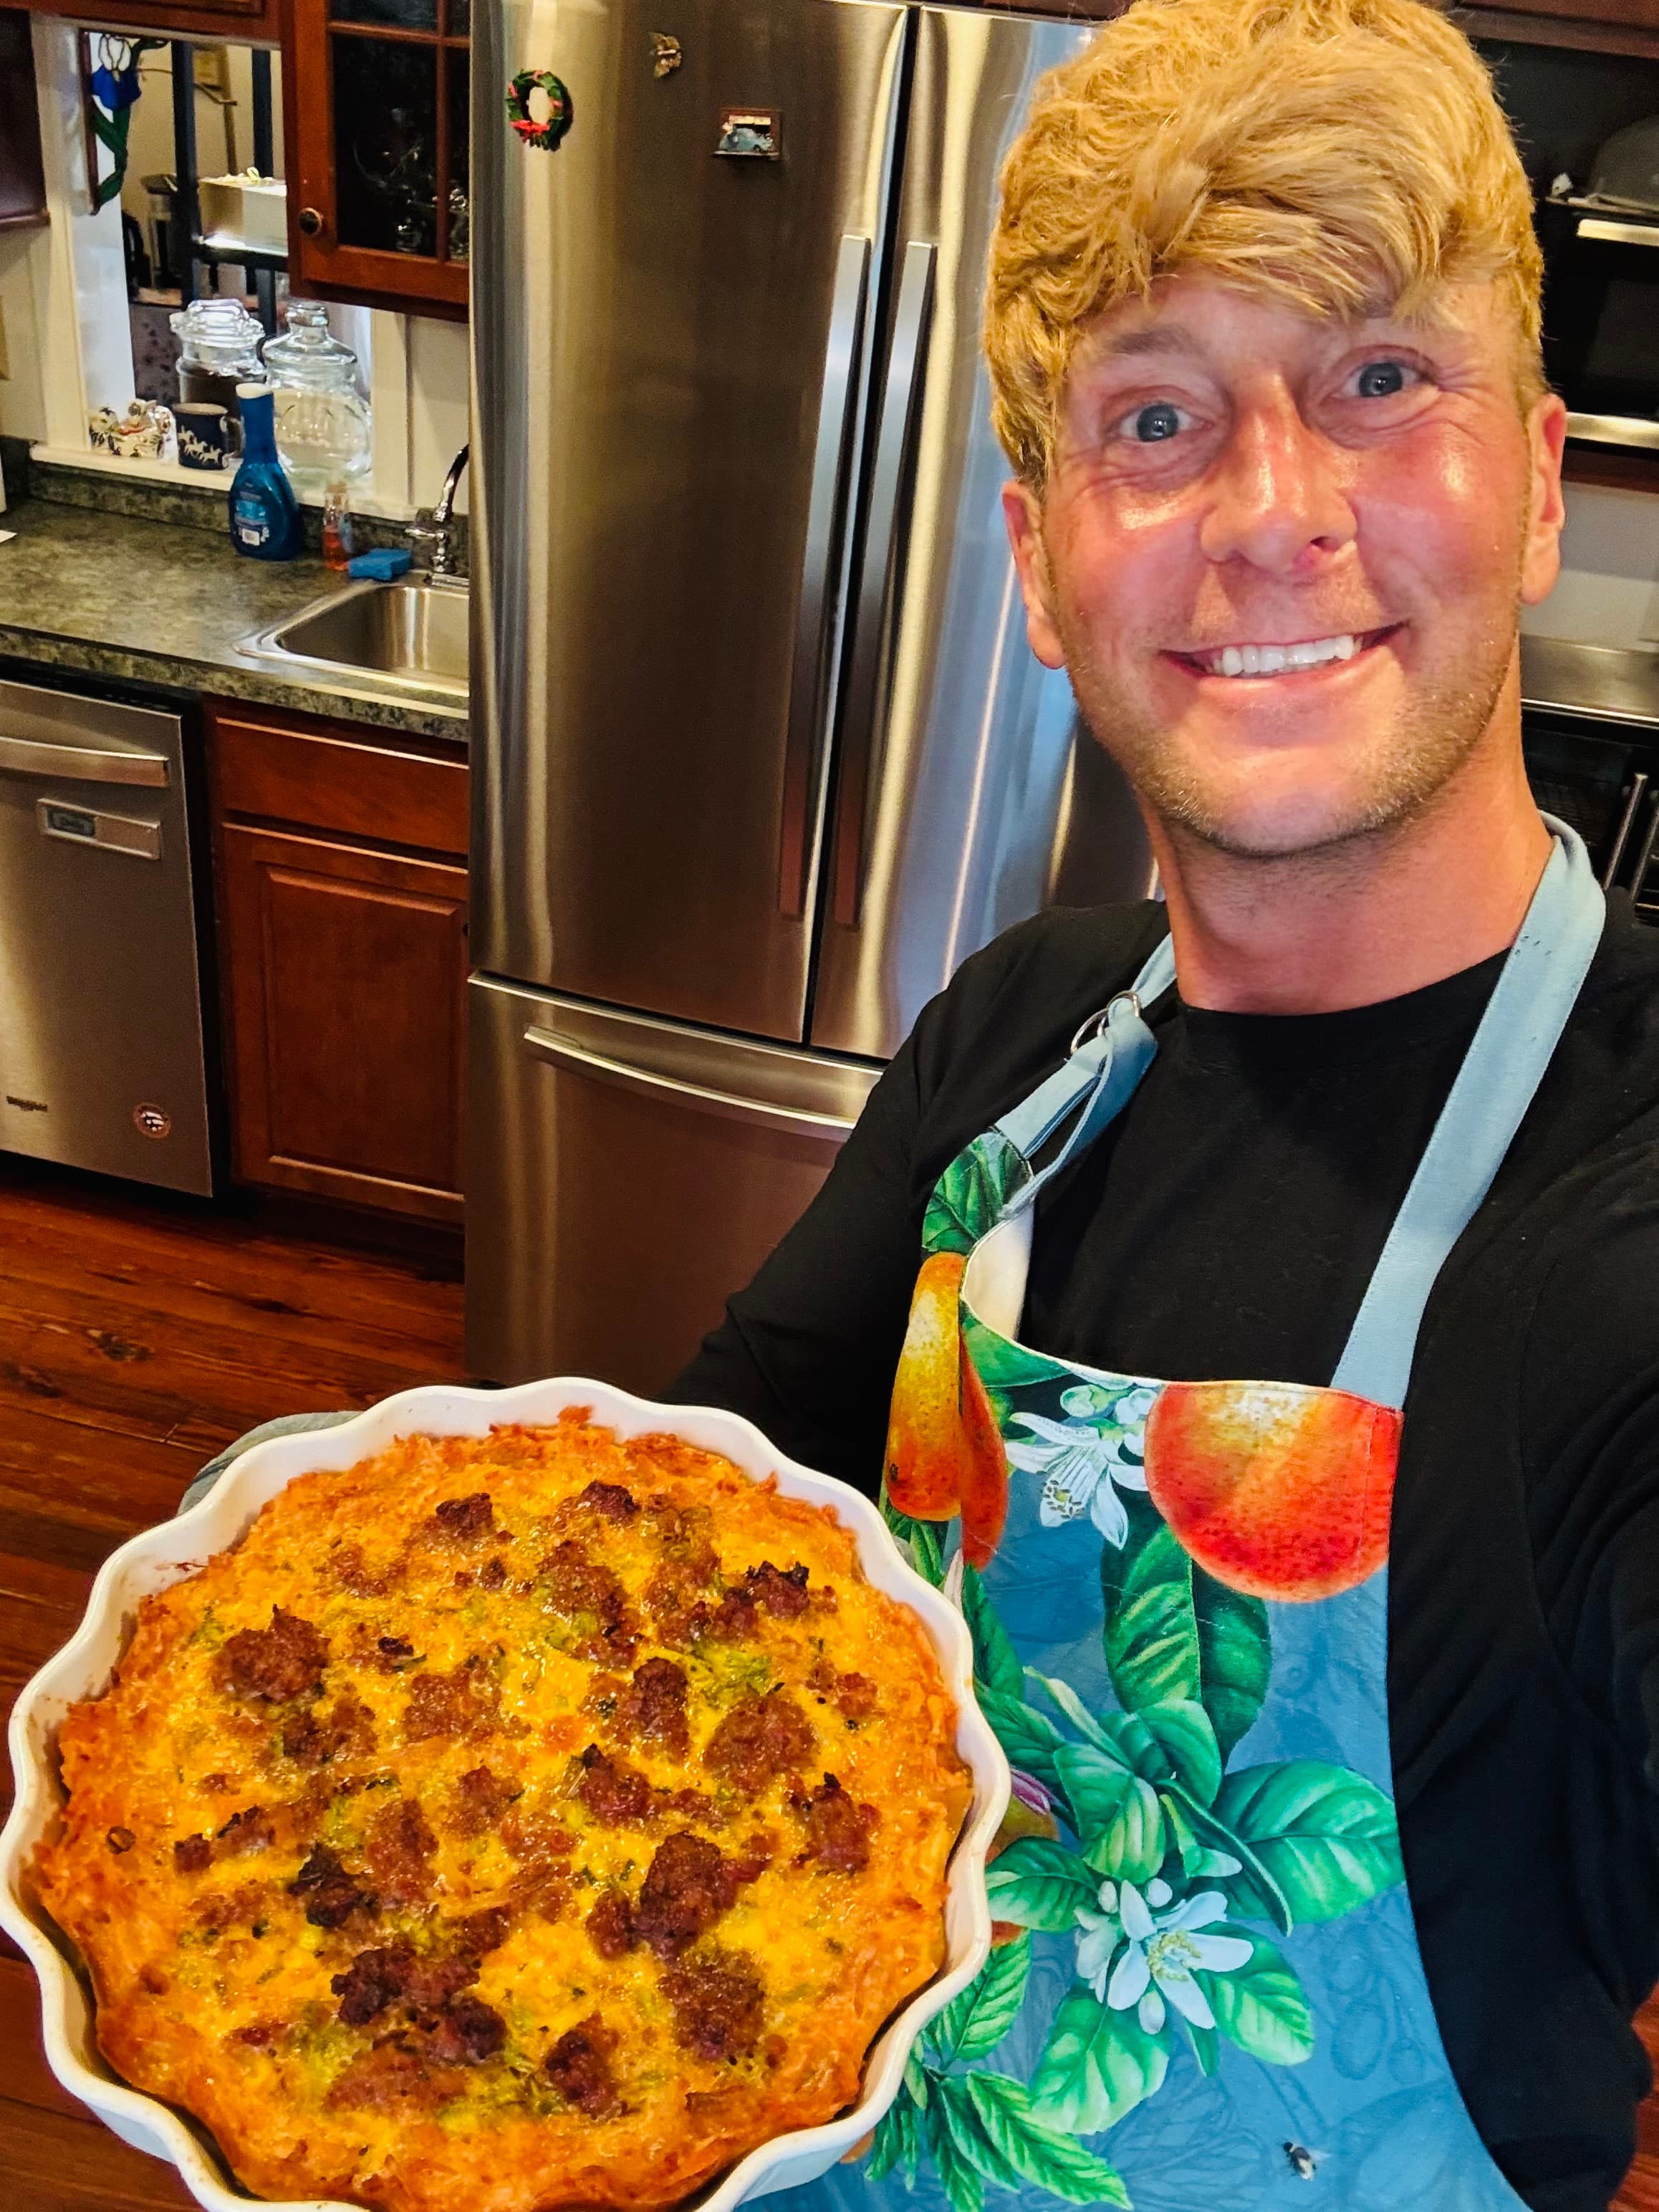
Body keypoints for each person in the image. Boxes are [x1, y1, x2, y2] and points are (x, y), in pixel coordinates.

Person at [665, 1, 1659, 2207]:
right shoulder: (1024, 1032)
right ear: (1035, 563)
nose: (1272, 513)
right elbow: (686, 1532)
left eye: (1381, 382)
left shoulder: (1620, 1234)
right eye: (1154, 418)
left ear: (1534, 496)